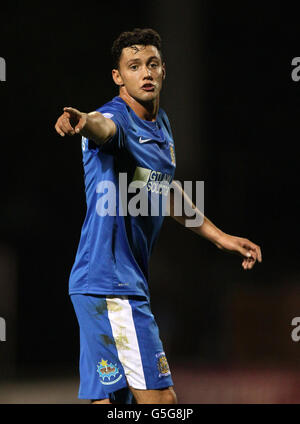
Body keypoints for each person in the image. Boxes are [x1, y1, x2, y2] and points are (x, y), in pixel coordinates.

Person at [54, 28, 262, 405]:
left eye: (151, 64)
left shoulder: (161, 125)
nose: (145, 73)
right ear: (119, 77)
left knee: (114, 405)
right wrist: (83, 120)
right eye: (134, 66)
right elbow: (104, 127)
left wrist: (222, 238)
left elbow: (160, 189)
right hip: (113, 286)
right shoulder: (116, 118)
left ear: (164, 70)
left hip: (95, 283)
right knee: (161, 400)